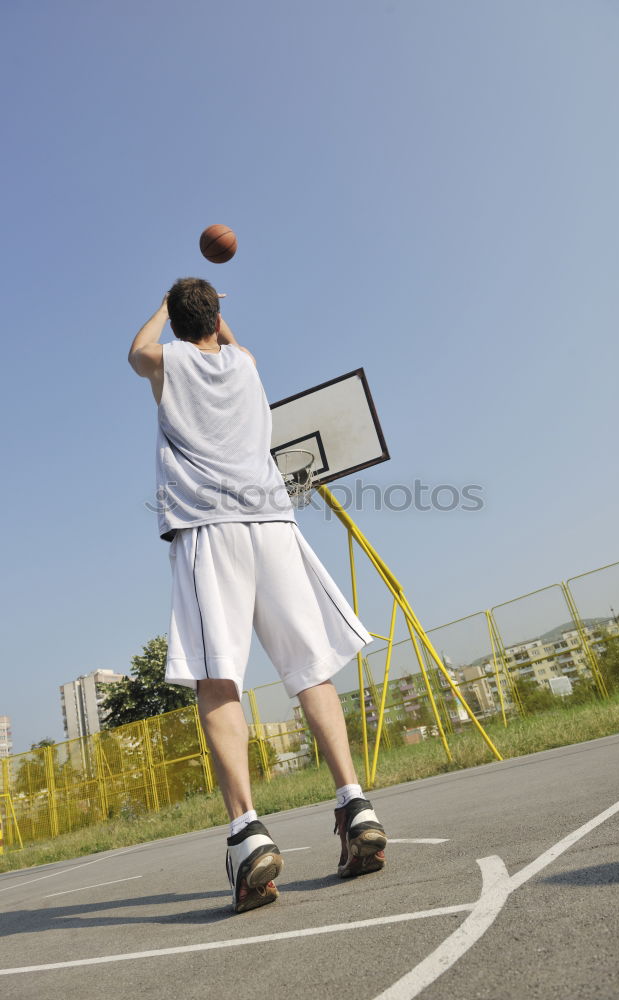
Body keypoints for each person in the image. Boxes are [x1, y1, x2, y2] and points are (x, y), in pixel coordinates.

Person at [128, 278, 387, 913]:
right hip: (273, 525)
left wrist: (166, 303)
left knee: (218, 681)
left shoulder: (169, 361)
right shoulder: (244, 364)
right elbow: (233, 345)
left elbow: (137, 351)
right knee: (309, 669)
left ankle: (247, 833)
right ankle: (355, 804)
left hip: (209, 532)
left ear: (179, 322)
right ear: (217, 318)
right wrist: (217, 314)